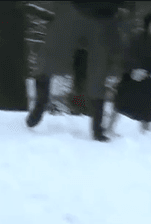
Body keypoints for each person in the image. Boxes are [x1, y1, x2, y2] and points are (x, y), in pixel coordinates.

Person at [27, 1, 131, 141]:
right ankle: (41, 103)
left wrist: (124, 11)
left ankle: (97, 128)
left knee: (98, 72)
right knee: (49, 57)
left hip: (105, 19)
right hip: (75, 10)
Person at [114, 10, 151, 132]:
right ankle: (110, 129)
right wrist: (133, 70)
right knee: (120, 105)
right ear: (150, 24)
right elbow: (125, 57)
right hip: (131, 79)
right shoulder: (136, 38)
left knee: (148, 110)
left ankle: (145, 135)